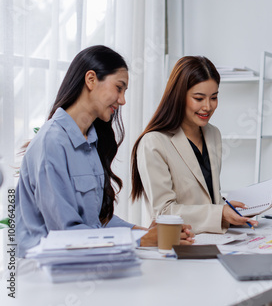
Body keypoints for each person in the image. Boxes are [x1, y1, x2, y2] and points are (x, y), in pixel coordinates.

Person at [15, 45, 194, 258]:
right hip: (47, 273)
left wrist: (145, 232)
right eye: (119, 88)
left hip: (82, 264)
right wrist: (140, 240)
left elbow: (96, 222)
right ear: (91, 79)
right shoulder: (51, 143)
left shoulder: (90, 141)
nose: (123, 100)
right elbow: (65, 234)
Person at [130, 56, 257, 234]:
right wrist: (219, 213)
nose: (208, 106)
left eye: (214, 97)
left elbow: (206, 197)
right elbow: (164, 212)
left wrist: (226, 207)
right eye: (199, 98)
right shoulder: (154, 142)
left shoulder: (213, 134)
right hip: (177, 242)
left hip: (214, 241)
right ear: (179, 96)